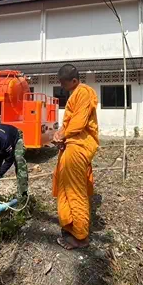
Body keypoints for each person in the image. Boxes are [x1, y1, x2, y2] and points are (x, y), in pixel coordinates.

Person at [52, 64, 99, 250]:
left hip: (78, 148)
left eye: (63, 83)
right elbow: (68, 124)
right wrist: (59, 135)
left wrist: (62, 135)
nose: (61, 86)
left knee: (75, 191)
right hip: (70, 146)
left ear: (73, 80)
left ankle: (81, 237)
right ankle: (70, 226)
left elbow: (78, 123)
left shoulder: (84, 92)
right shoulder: (74, 95)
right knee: (65, 188)